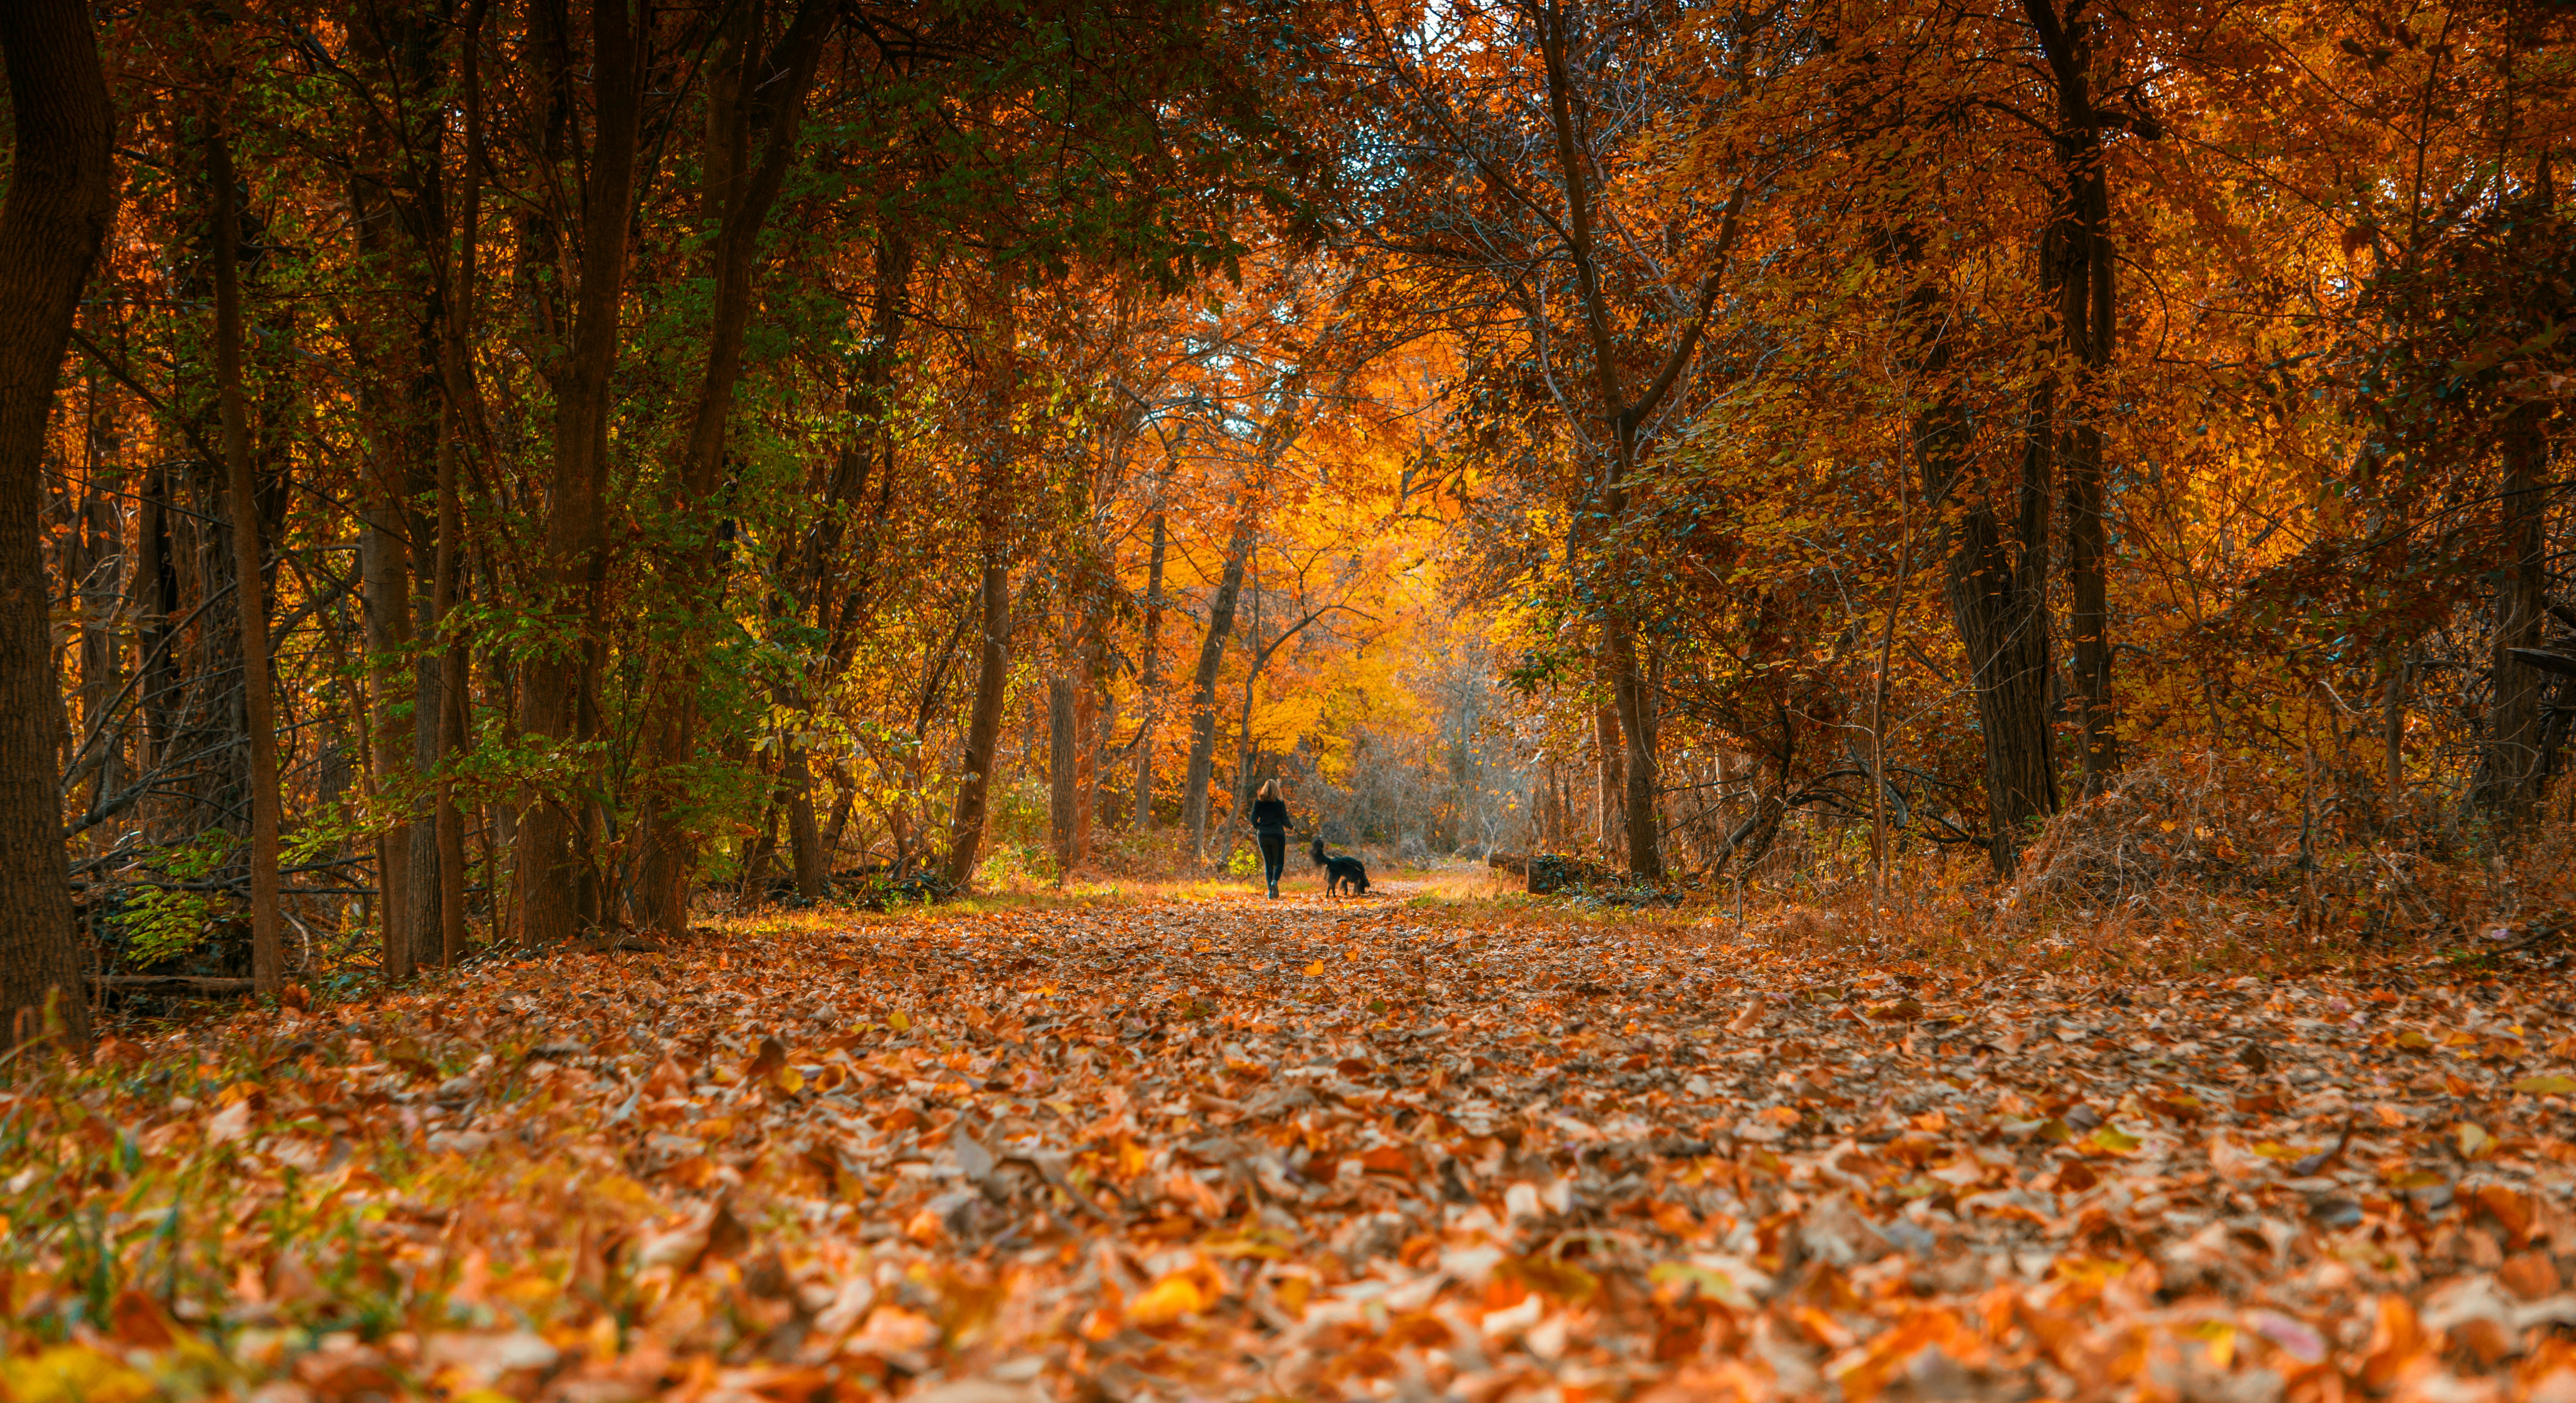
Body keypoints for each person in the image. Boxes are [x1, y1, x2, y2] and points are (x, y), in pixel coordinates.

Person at [1248, 779, 1295, 899]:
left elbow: (1253, 820)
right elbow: (1284, 820)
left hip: (1263, 835)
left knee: (1268, 863)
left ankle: (1270, 892)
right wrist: (1292, 828)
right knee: (1279, 862)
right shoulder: (1279, 802)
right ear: (1276, 790)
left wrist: (1259, 827)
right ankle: (1275, 881)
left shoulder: (1258, 802)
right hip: (1277, 835)